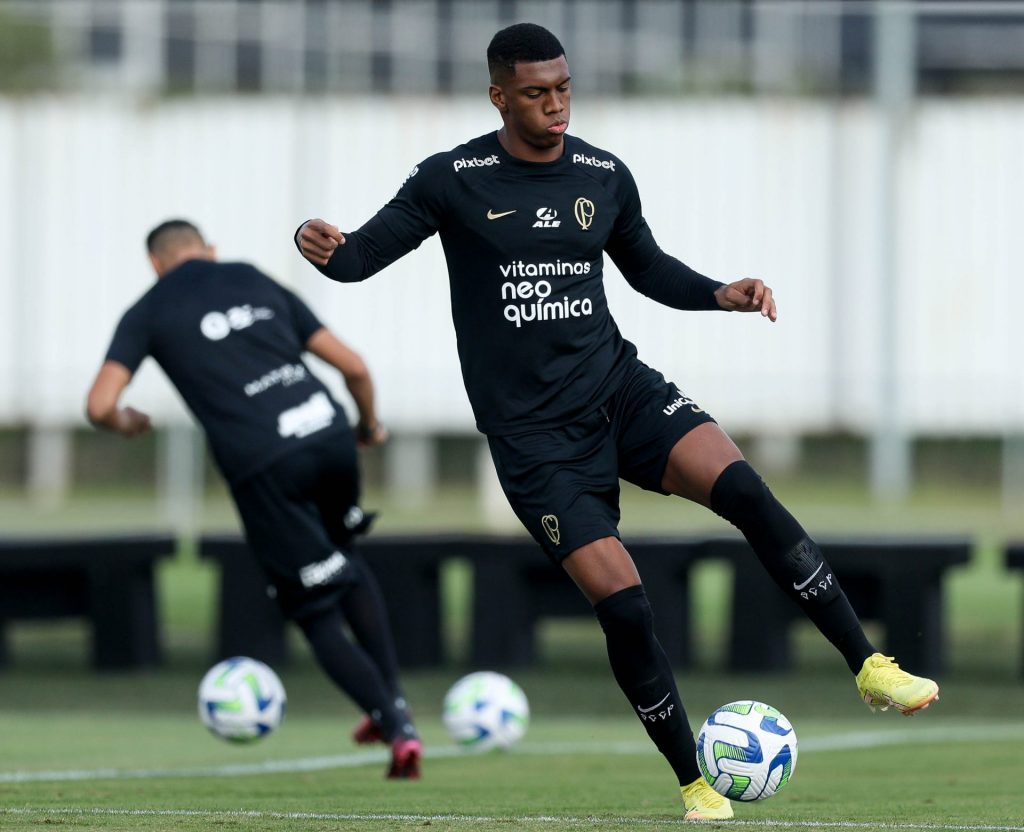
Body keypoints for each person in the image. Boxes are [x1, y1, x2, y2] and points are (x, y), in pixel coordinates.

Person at [294, 23, 939, 819]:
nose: (556, 104)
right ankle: (696, 782)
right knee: (626, 606)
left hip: (620, 390)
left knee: (746, 492)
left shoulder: (603, 172)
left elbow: (646, 267)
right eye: (536, 93)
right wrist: (316, 241)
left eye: (564, 88)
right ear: (499, 96)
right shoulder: (451, 179)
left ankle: (870, 666)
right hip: (536, 441)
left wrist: (717, 292)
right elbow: (357, 258)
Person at [86, 219, 422, 779]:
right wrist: (368, 426)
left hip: (266, 463)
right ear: (210, 252)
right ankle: (393, 701)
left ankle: (395, 725)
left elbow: (99, 404)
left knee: (312, 604)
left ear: (156, 264)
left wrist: (126, 422)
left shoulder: (146, 312)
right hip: (328, 433)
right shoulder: (252, 278)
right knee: (346, 557)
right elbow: (354, 366)